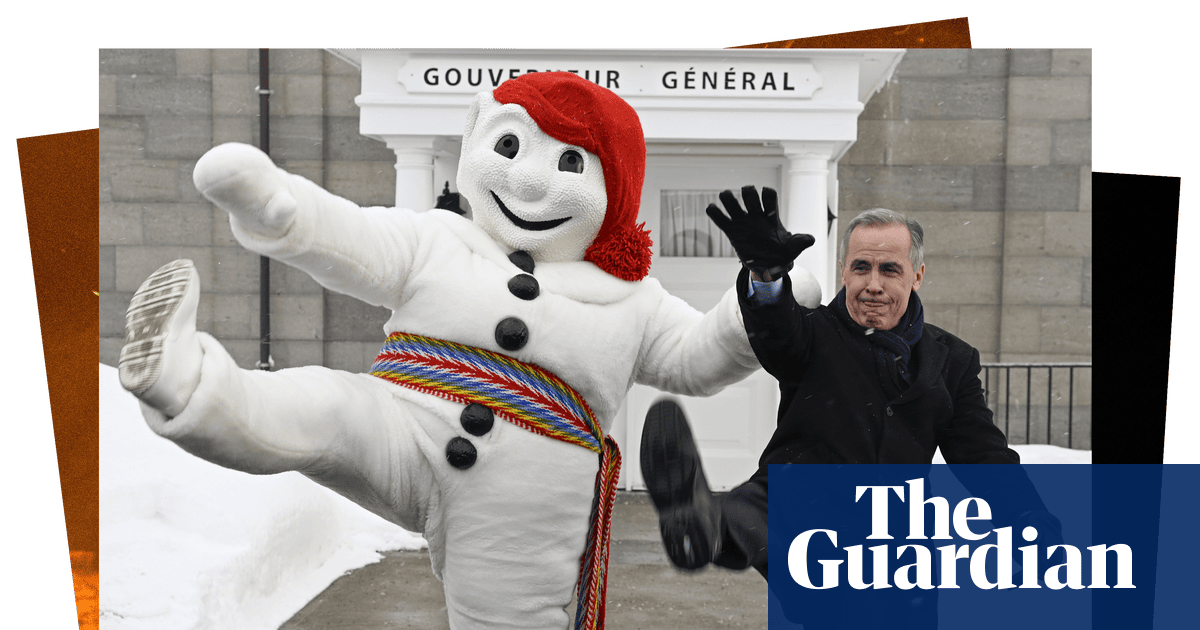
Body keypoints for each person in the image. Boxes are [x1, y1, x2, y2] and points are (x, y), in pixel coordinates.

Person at [118, 73, 775, 630]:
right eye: (511, 146)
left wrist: (762, 289)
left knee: (510, 618)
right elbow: (352, 239)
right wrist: (279, 211)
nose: (531, 181)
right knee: (323, 407)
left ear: (616, 192)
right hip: (403, 420)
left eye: (571, 162)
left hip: (523, 491)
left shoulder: (633, 300)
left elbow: (698, 357)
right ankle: (188, 382)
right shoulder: (439, 239)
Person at [640, 186, 1060, 590]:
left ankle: (715, 528)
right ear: (843, 270)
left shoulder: (952, 360)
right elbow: (776, 333)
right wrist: (766, 276)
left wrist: (1028, 518)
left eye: (889, 269)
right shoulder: (812, 333)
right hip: (798, 510)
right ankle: (704, 526)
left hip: (892, 544)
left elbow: (982, 455)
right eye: (861, 267)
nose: (872, 284)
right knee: (754, 518)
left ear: (917, 275)